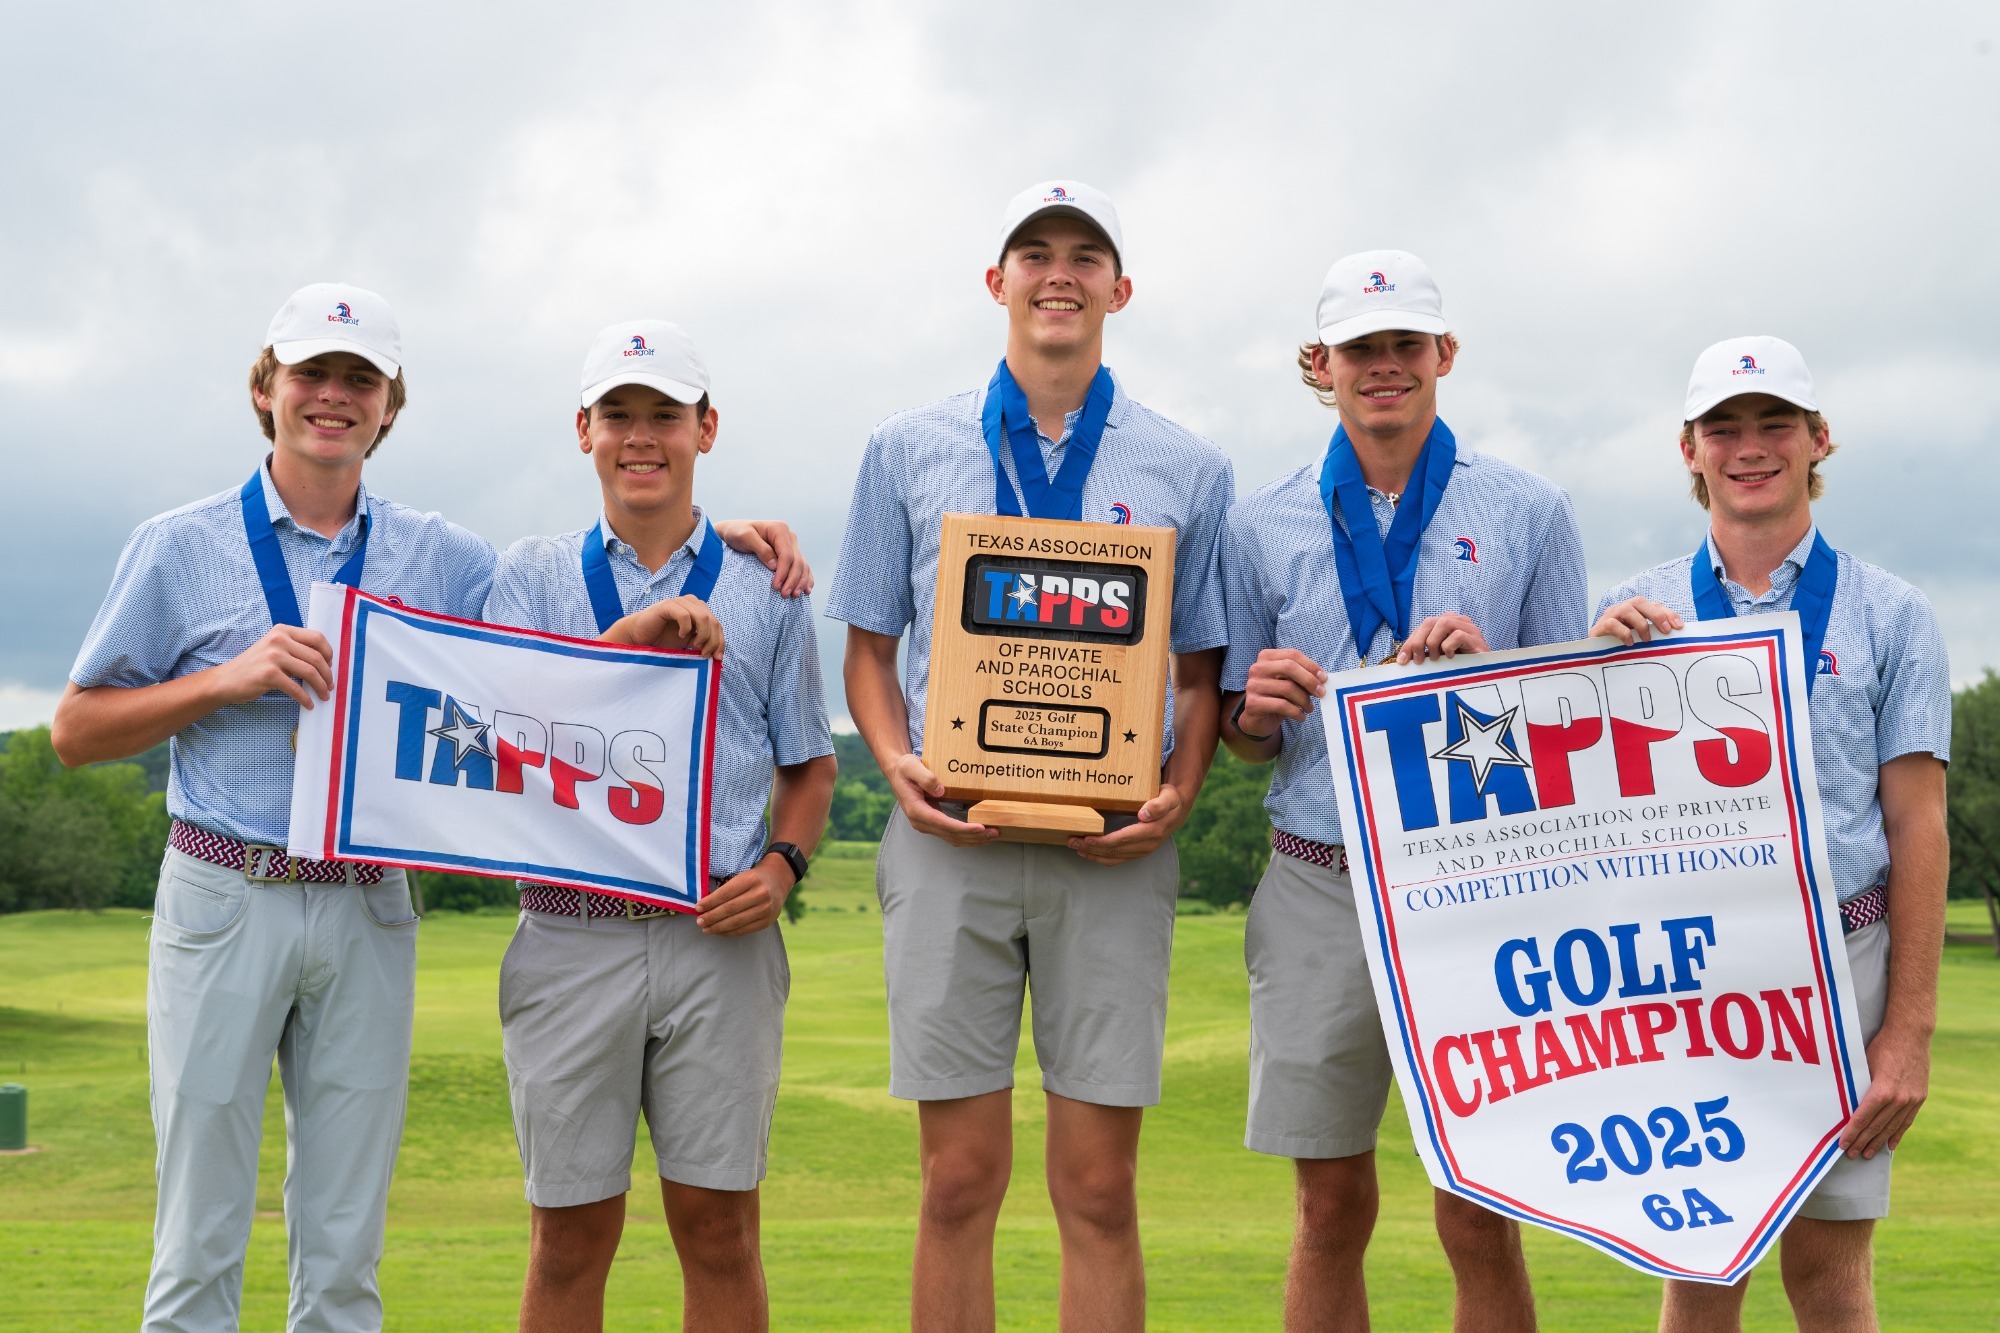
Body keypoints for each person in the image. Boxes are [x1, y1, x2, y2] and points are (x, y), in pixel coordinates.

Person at [827, 180, 1233, 1330]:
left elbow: (1199, 668)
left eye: (1084, 255)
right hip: (949, 839)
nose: (1059, 273)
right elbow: (866, 649)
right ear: (995, 281)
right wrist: (895, 763)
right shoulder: (904, 446)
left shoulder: (1185, 465)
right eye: (1034, 252)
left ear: (1119, 288)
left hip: (1110, 850)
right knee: (956, 1180)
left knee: (1097, 1187)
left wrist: (1179, 791)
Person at [52, 283, 496, 1333]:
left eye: (360, 378)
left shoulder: (446, 555)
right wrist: (224, 678)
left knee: (344, 1248)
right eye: (311, 373)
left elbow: (549, 666)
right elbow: (76, 728)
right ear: (265, 388)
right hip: (226, 890)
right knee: (197, 1235)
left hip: (369, 900)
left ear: (390, 404)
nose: (333, 396)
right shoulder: (180, 544)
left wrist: (713, 533)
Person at [1218, 250, 1588, 1332]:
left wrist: (1494, 678)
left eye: (1404, 344)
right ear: (1319, 365)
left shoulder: (1529, 509)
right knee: (1327, 1208)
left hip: (1476, 886)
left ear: (1443, 353)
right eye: (1359, 348)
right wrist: (1255, 710)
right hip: (1318, 879)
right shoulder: (1257, 522)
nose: (1383, 365)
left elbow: (1573, 736)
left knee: (1479, 1210)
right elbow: (1241, 742)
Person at [482, 319, 837, 1333]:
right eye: (618, 414)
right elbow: (501, 744)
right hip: (568, 931)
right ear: (583, 431)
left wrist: (783, 865)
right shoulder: (531, 574)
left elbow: (809, 764)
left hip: (716, 937)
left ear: (705, 430)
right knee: (567, 1239)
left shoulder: (767, 586)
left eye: (665, 415)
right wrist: (626, 639)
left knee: (721, 1231)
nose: (641, 436)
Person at [1590, 336, 1950, 1333]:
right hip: (1689, 976)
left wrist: (1907, 1031)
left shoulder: (1892, 612)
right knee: (1702, 1268)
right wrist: (1592, 670)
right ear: (1688, 449)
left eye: (1774, 423)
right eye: (1723, 428)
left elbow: (1916, 823)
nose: (1749, 447)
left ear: (1817, 437)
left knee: (1828, 1277)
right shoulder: (1631, 610)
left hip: (1844, 957)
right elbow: (1585, 824)